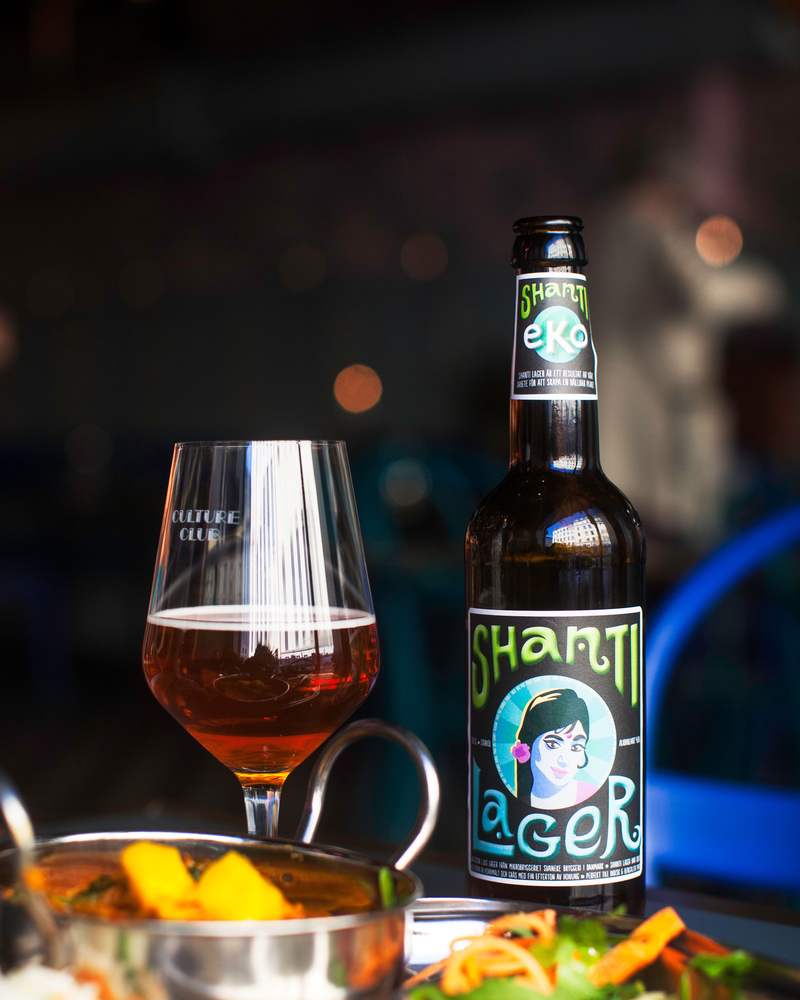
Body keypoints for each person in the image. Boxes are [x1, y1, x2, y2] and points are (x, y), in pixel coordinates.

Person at [511, 688, 594, 809]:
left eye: (576, 747)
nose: (564, 760)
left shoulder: (589, 792)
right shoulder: (519, 796)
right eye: (553, 744)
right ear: (528, 745)